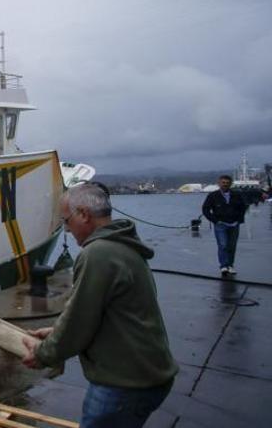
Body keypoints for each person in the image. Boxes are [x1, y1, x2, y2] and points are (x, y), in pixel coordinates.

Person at [22, 183, 178, 427]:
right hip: (147, 373)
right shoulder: (124, 246)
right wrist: (55, 333)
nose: (67, 229)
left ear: (83, 214)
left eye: (67, 220)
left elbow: (79, 318)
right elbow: (108, 313)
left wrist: (44, 354)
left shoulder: (98, 254)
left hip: (124, 383)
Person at [201, 175, 247, 276]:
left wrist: (239, 219)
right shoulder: (213, 196)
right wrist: (215, 220)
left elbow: (243, 207)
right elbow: (205, 209)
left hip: (234, 224)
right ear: (219, 183)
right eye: (223, 182)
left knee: (232, 245)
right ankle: (223, 266)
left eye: (227, 182)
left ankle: (230, 265)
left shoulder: (237, 195)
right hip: (220, 224)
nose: (225, 184)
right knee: (223, 245)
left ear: (230, 183)